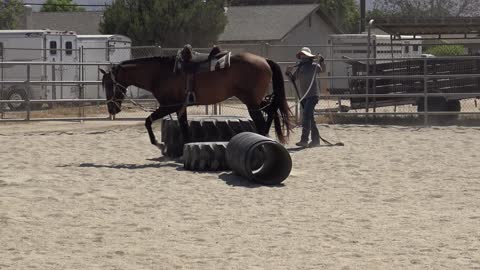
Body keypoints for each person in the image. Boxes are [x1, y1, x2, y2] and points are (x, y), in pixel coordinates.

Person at [286, 47, 325, 148]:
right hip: (304, 96)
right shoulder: (300, 68)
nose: (303, 57)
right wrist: (288, 73)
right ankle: (315, 140)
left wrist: (322, 61)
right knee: (310, 117)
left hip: (313, 95)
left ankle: (304, 140)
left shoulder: (314, 65)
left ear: (309, 57)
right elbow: (293, 79)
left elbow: (323, 69)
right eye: (302, 55)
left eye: (304, 55)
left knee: (306, 115)